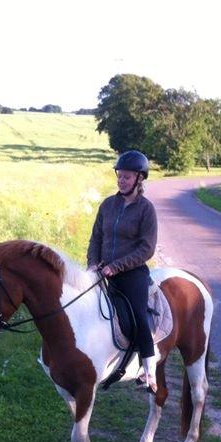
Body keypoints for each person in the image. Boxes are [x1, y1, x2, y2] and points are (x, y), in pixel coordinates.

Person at [87, 149, 159, 392]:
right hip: (103, 271)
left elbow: (146, 249)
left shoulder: (146, 209)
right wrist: (92, 263)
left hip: (132, 274)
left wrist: (116, 266)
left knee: (138, 317)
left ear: (139, 179)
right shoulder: (108, 205)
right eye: (120, 176)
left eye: (127, 177)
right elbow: (96, 238)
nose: (121, 180)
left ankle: (148, 373)